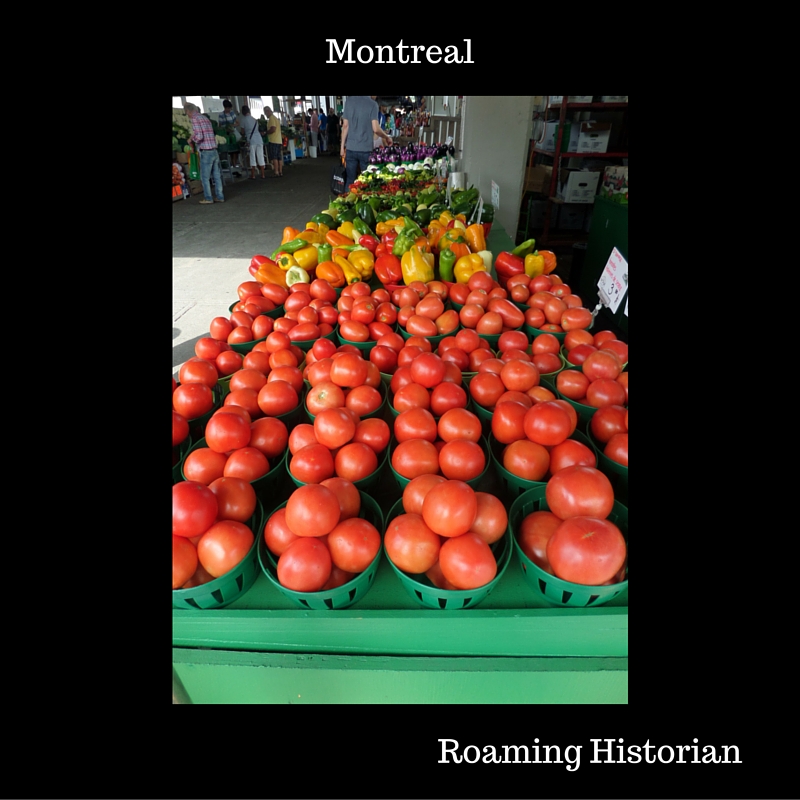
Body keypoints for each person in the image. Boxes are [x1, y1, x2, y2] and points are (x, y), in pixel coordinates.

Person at [340, 95, 392, 190]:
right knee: (366, 181)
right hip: (366, 150)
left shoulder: (349, 102)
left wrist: (342, 147)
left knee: (350, 180)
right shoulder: (373, 104)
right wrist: (386, 136)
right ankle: (363, 202)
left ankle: (347, 203)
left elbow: (345, 126)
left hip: (351, 148)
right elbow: (376, 129)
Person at [185, 102, 224, 205]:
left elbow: (200, 137)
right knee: (216, 176)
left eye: (187, 113)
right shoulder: (205, 118)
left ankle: (208, 198)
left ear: (188, 111)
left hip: (206, 151)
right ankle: (220, 196)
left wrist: (192, 139)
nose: (187, 115)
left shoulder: (194, 119)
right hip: (214, 150)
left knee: (205, 177)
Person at [239, 105, 266, 180]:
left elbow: (242, 131)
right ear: (249, 111)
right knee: (261, 156)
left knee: (252, 157)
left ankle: (253, 175)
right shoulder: (255, 120)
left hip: (251, 140)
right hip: (259, 139)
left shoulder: (243, 120)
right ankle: (263, 174)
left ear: (243, 112)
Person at [217, 99, 241, 171]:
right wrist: (226, 129)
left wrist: (233, 125)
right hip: (226, 135)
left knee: (236, 149)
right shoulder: (221, 115)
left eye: (230, 108)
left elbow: (237, 122)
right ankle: (231, 164)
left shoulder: (232, 113)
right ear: (225, 107)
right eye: (228, 108)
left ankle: (235, 163)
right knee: (230, 150)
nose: (229, 109)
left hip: (233, 132)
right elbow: (220, 126)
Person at [263, 105, 284, 178]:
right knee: (279, 157)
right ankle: (280, 171)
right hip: (278, 140)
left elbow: (273, 129)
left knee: (274, 157)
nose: (265, 114)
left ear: (268, 111)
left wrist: (266, 132)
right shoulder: (275, 118)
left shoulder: (271, 118)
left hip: (274, 140)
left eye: (265, 113)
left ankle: (276, 172)